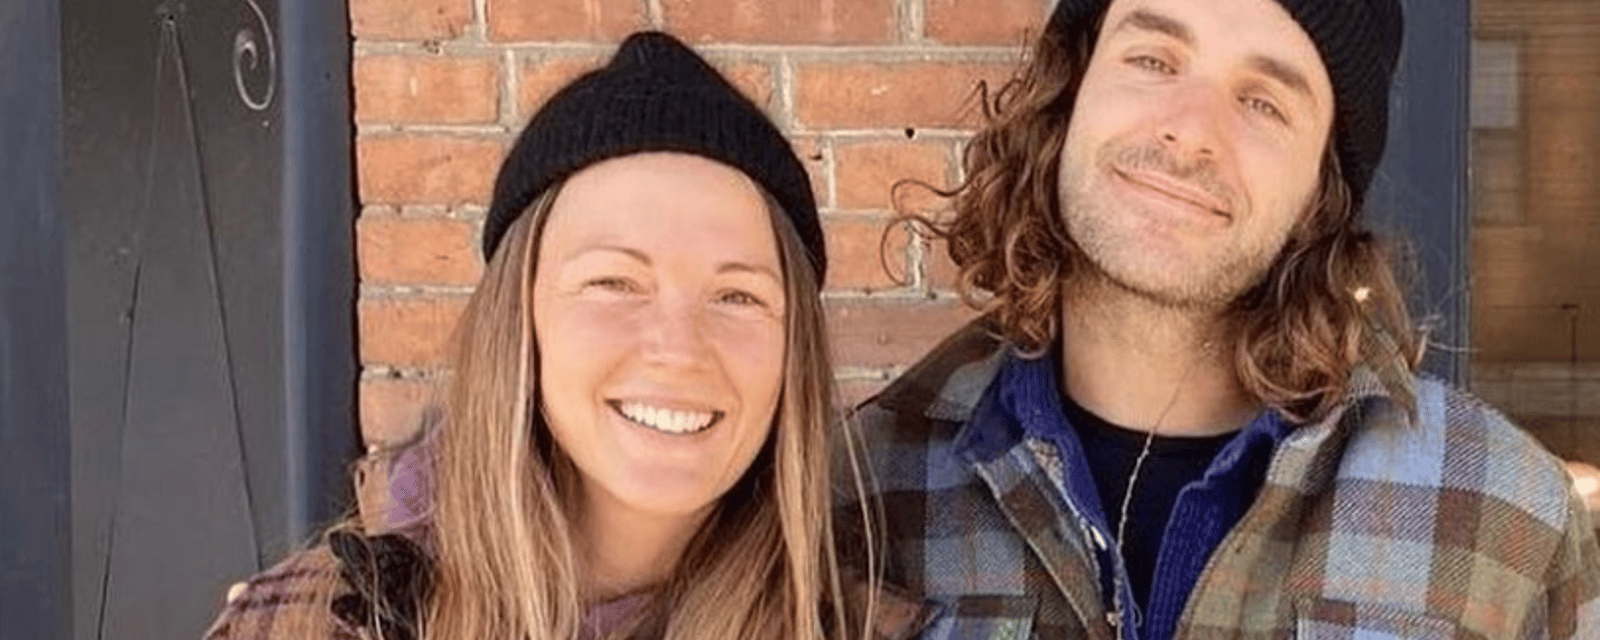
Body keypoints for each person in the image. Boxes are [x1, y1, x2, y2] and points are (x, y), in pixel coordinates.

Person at [844, 0, 1600, 638]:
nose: (1191, 129)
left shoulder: (1507, 517)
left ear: (1321, 188)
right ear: (1070, 90)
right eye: (1154, 60)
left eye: (1263, 102)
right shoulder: (858, 490)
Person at [204, 31, 921, 640]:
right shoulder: (303, 622)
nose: (677, 346)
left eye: (738, 296)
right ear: (519, 319)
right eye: (615, 283)